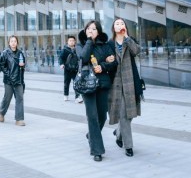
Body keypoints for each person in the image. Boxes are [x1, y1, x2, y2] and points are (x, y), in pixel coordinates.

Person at [77, 20, 117, 162]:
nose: (91, 31)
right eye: (89, 28)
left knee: (102, 116)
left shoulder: (105, 45)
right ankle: (97, 150)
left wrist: (103, 66)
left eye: (94, 29)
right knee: (92, 116)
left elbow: (114, 62)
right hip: (87, 85)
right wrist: (89, 41)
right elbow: (83, 57)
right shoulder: (80, 45)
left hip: (102, 83)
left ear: (98, 31)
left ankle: (91, 135)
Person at [109, 18, 142, 157]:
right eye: (117, 23)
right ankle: (129, 146)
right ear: (113, 28)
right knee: (123, 113)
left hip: (130, 82)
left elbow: (136, 51)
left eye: (122, 23)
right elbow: (105, 60)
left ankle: (119, 132)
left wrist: (127, 37)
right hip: (116, 83)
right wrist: (107, 60)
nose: (120, 25)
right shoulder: (110, 44)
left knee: (130, 114)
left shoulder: (130, 41)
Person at [0, 36, 27, 126]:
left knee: (20, 98)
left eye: (15, 41)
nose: (13, 43)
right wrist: (9, 74)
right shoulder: (5, 53)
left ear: (17, 43)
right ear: (9, 43)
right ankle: (2, 112)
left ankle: (19, 119)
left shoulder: (20, 53)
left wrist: (22, 65)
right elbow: (1, 65)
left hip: (19, 79)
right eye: (11, 41)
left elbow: (23, 65)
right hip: (8, 80)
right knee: (7, 98)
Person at [59, 35, 82, 103]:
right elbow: (61, 58)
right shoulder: (65, 50)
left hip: (75, 70)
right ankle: (66, 95)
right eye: (70, 41)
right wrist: (61, 64)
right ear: (67, 42)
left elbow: (80, 58)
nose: (71, 42)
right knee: (66, 83)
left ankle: (77, 97)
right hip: (67, 70)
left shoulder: (77, 49)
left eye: (73, 41)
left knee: (76, 83)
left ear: (75, 41)